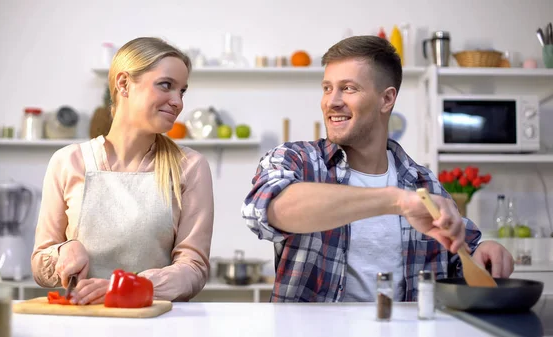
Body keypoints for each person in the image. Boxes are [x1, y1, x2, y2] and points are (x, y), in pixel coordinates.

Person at [241, 35, 514, 303]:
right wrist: (396, 201)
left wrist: (486, 251)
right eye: (327, 88)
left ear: (386, 100)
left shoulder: (422, 182)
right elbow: (266, 210)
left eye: (348, 88)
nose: (331, 101)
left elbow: (463, 252)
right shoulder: (297, 160)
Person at [32, 37, 214, 304]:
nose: (178, 102)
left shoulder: (190, 167)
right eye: (166, 85)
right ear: (124, 84)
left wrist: (129, 286)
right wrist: (64, 251)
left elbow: (193, 268)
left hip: (157, 324)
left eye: (182, 91)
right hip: (83, 323)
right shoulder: (67, 161)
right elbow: (40, 264)